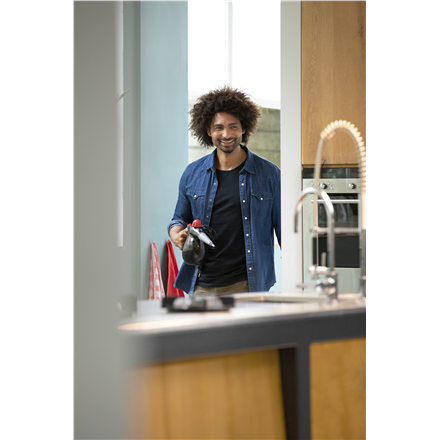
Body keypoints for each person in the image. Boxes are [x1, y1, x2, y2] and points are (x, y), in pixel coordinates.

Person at [167, 85, 281, 296]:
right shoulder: (192, 174)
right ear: (208, 131)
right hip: (200, 285)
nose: (226, 134)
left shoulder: (270, 175)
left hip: (248, 286)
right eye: (218, 127)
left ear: (244, 128)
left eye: (233, 126)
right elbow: (178, 219)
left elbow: (287, 235)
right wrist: (176, 234)